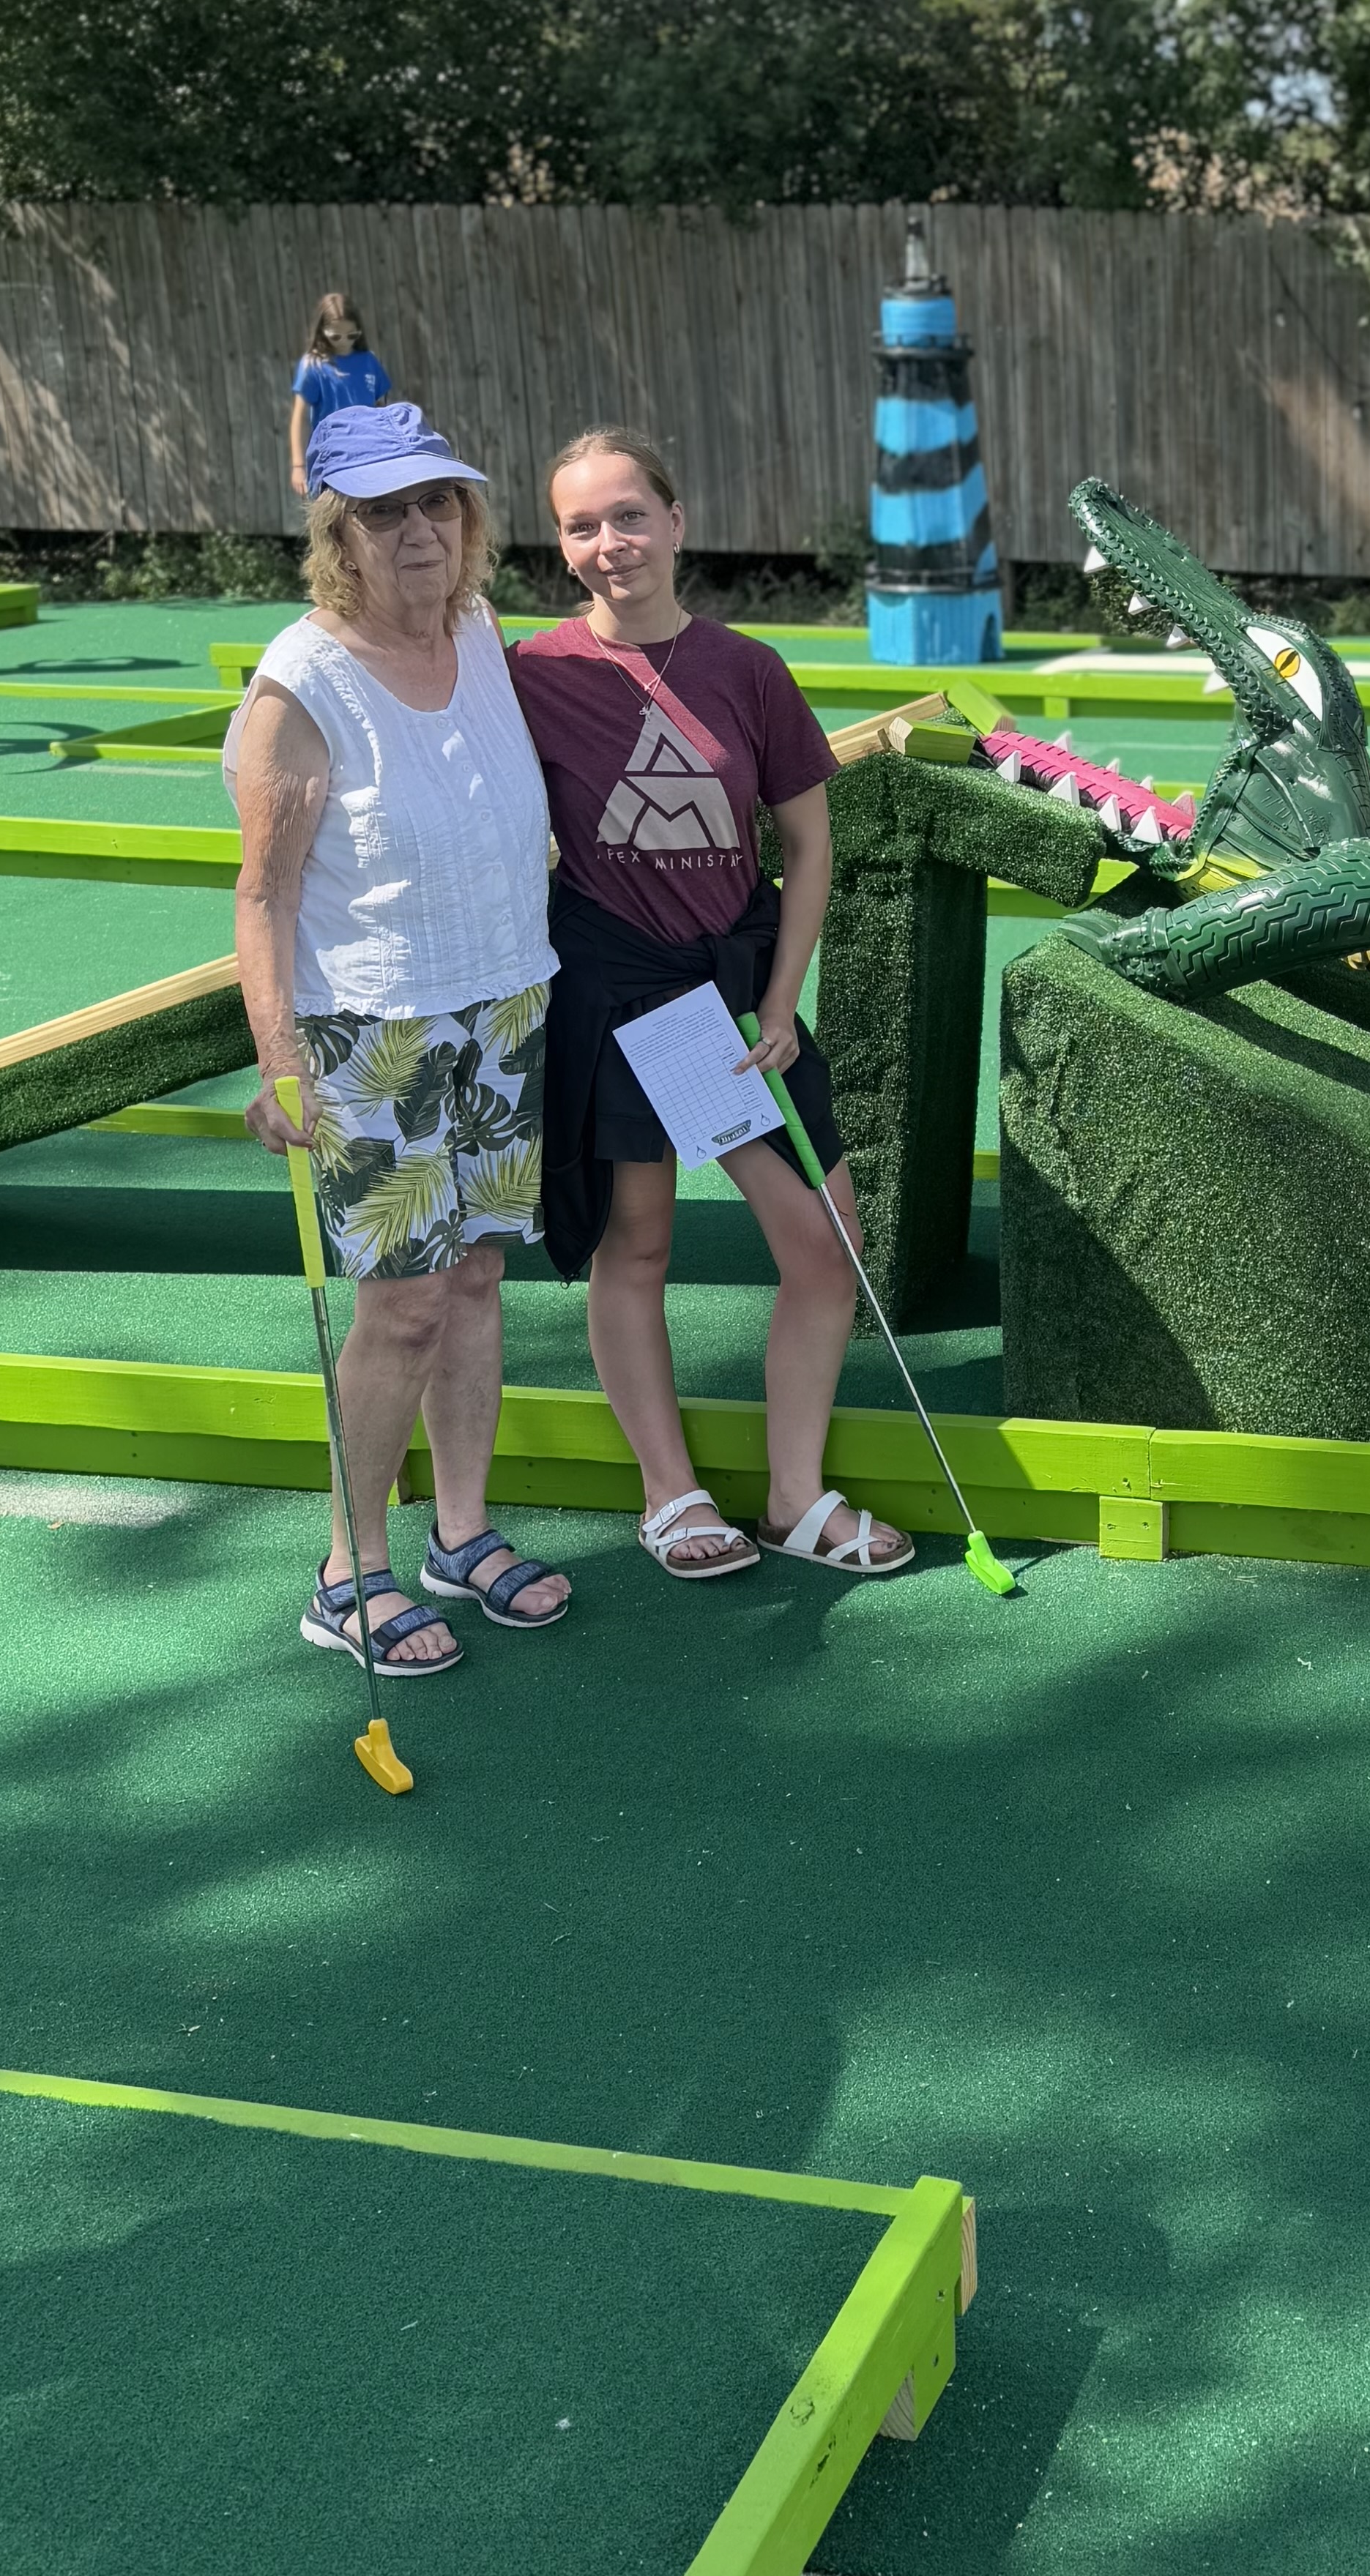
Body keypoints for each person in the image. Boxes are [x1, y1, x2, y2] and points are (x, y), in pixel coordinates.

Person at [509, 427, 911, 1583]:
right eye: (581, 525)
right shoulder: (534, 673)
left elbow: (807, 843)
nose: (608, 543)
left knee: (825, 1250)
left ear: (677, 523)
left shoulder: (747, 670)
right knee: (638, 1246)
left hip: (732, 994)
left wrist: (783, 1001)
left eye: (628, 515)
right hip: (625, 992)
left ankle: (794, 1499)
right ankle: (671, 1495)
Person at [227, 400, 573, 1670]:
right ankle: (348, 1567)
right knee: (405, 1307)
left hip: (503, 1004)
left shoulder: (479, 634)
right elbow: (261, 894)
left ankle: (461, 1535)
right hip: (375, 1029)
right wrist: (277, 1062)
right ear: (341, 534)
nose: (418, 528)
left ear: (468, 519)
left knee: (477, 1277)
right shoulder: (301, 684)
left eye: (437, 502)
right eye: (384, 510)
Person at [289, 292, 393, 500]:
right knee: (332, 521)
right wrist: (298, 466)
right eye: (336, 336)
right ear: (322, 332)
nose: (344, 342)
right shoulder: (314, 365)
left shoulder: (368, 361)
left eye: (351, 336)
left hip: (369, 456)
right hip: (331, 459)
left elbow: (380, 407)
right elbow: (298, 418)